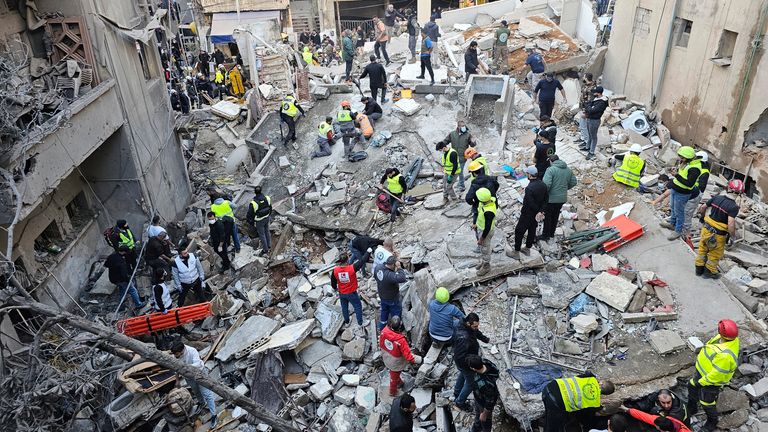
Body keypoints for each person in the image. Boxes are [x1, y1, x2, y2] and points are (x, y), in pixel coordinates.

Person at [687, 319, 739, 431]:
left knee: (706, 401)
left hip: (710, 382)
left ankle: (712, 421)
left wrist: (701, 382)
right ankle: (692, 407)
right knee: (691, 386)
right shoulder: (724, 339)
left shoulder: (725, 356)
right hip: (702, 373)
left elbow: (717, 375)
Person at [694, 179, 743, 279]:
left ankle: (699, 269)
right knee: (714, 254)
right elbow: (730, 223)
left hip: (706, 229)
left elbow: (703, 207)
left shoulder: (717, 197)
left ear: (728, 188)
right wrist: (732, 236)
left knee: (702, 249)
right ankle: (708, 272)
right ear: (740, 193)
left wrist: (702, 218)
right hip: (718, 235)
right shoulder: (734, 207)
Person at [541, 373, 616, 432]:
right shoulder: (594, 403)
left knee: (550, 413)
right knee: (553, 424)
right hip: (555, 401)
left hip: (550, 387)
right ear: (605, 394)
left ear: (601, 382)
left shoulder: (589, 377)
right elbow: (586, 418)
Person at [170, 340, 217, 427]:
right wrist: (177, 380)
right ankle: (202, 403)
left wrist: (185, 367)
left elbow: (198, 364)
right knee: (196, 391)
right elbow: (175, 367)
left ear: (182, 350)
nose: (175, 356)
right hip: (188, 376)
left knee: (207, 394)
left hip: (199, 374)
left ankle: (214, 415)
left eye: (176, 354)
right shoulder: (176, 355)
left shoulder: (192, 351)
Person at [660, 146, 701, 240]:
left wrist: (676, 175)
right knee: (673, 208)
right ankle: (671, 223)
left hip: (683, 193)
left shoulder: (695, 169)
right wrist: (676, 173)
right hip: (676, 189)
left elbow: (689, 183)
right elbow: (683, 174)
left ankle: (677, 230)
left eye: (681, 157)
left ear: (687, 157)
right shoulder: (687, 163)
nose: (679, 159)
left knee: (679, 212)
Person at [452, 313, 490, 411]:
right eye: (475, 326)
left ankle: (457, 392)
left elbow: (476, 332)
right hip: (465, 363)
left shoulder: (468, 327)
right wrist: (472, 366)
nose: (476, 328)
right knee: (470, 383)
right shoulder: (463, 337)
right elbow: (460, 357)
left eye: (477, 326)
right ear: (469, 323)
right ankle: (460, 402)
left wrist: (484, 339)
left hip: (466, 359)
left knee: (463, 375)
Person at [509, 166, 548, 259]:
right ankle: (527, 248)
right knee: (532, 230)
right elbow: (546, 199)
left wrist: (537, 210)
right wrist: (541, 211)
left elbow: (529, 203)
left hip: (527, 213)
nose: (527, 175)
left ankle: (516, 251)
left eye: (527, 174)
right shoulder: (543, 184)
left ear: (530, 175)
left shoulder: (529, 188)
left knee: (519, 231)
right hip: (536, 215)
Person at [380, 316, 423, 396]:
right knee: (393, 378)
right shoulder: (401, 341)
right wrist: (421, 360)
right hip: (396, 363)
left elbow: (381, 344)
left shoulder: (384, 331)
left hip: (386, 357)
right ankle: (392, 392)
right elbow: (409, 357)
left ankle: (400, 383)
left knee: (394, 374)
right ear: (400, 327)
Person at [541, 155, 577, 241]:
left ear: (550, 161)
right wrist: (564, 189)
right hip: (562, 198)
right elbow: (574, 182)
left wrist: (543, 195)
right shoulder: (568, 170)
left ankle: (545, 236)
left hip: (551, 198)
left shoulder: (550, 170)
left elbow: (546, 185)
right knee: (555, 215)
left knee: (548, 217)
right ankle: (551, 234)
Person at [331, 250, 370, 326]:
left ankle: (347, 321)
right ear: (347, 260)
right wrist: (368, 252)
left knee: (344, 307)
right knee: (357, 305)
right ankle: (360, 322)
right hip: (351, 292)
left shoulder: (335, 270)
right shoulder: (352, 268)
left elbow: (333, 282)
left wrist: (335, 288)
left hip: (342, 292)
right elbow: (362, 261)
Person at [440, 120, 477, 192]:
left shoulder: (468, 135)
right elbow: (445, 141)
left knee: (460, 171)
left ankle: (462, 186)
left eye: (464, 126)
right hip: (454, 157)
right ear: (458, 127)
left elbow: (472, 145)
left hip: (463, 157)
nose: (464, 128)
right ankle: (458, 183)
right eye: (462, 126)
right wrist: (441, 145)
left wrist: (473, 141)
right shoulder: (452, 134)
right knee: (456, 171)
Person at [466, 355, 500, 432]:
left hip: (483, 404)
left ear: (473, 368)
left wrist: (485, 413)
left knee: (485, 422)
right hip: (479, 398)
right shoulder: (486, 362)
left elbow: (490, 401)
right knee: (478, 416)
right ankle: (476, 428)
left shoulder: (485, 384)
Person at [375, 256, 408, 330]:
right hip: (392, 298)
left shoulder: (378, 268)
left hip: (382, 296)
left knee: (384, 311)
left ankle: (382, 328)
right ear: (393, 265)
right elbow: (402, 278)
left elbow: (375, 277)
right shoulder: (389, 275)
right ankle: (395, 329)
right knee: (395, 314)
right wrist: (399, 267)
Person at [682, 151, 711, 236]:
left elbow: (701, 187)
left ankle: (685, 231)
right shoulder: (696, 166)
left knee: (688, 212)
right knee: (683, 210)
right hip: (689, 192)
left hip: (694, 194)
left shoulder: (704, 171)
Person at [473, 188, 497, 276]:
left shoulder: (489, 211)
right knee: (483, 249)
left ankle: (486, 266)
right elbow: (479, 214)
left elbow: (487, 227)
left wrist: (482, 239)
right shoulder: (486, 202)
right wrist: (475, 223)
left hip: (485, 232)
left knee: (485, 249)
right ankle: (483, 262)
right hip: (481, 228)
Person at [581, 86, 609, 160]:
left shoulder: (602, 102)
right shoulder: (596, 99)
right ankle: (588, 147)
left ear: (599, 93)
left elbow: (591, 110)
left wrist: (589, 107)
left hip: (595, 120)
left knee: (593, 137)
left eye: (595, 92)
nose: (594, 93)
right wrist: (589, 106)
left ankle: (592, 152)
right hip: (589, 119)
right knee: (590, 135)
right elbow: (588, 105)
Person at [246, 186, 272, 256]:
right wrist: (268, 215)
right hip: (267, 218)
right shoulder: (267, 198)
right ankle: (269, 245)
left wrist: (251, 222)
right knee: (267, 231)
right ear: (261, 191)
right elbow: (270, 208)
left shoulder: (253, 203)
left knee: (262, 235)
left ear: (255, 192)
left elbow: (250, 214)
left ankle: (265, 249)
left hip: (259, 221)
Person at [620, 406, 691, 432]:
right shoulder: (667, 420)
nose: (655, 426)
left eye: (656, 426)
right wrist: (627, 409)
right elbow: (645, 416)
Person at [577, 73, 596, 146]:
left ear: (586, 78)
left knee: (584, 125)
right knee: (581, 124)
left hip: (586, 109)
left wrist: (586, 111)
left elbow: (590, 101)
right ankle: (582, 138)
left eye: (584, 77)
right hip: (583, 107)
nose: (583, 78)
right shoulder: (586, 85)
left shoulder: (592, 88)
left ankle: (586, 141)